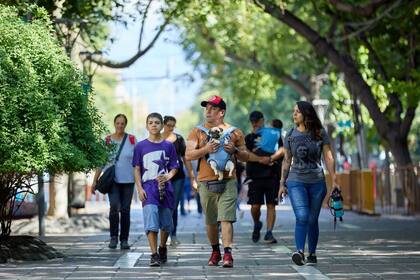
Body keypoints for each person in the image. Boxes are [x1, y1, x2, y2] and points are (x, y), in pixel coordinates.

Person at [185, 95, 271, 268]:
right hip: (205, 182)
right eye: (206, 108)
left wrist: (236, 150)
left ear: (221, 112)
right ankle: (215, 250)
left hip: (228, 181)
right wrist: (206, 149)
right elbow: (188, 155)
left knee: (226, 218)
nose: (208, 111)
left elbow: (245, 155)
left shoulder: (235, 132)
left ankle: (228, 254)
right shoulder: (197, 131)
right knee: (210, 221)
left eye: (212, 108)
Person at [278, 101, 338, 266]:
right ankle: (299, 252)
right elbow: (286, 160)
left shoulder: (320, 133)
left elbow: (328, 157)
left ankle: (312, 253)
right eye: (293, 111)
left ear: (306, 114)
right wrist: (282, 183)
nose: (294, 114)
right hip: (296, 181)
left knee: (312, 219)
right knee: (302, 216)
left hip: (317, 182)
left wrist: (334, 181)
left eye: (297, 112)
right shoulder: (290, 135)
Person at [133, 112, 179, 267]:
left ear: (162, 125)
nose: (154, 125)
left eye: (157, 123)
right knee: (151, 218)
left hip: (166, 188)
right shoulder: (140, 146)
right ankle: (153, 254)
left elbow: (174, 166)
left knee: (166, 223)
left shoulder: (168, 145)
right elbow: (137, 169)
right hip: (148, 187)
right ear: (146, 125)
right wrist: (139, 189)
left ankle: (162, 247)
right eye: (151, 122)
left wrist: (168, 176)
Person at [92, 114, 137, 250]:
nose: (120, 126)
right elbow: (100, 162)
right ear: (114, 124)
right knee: (114, 208)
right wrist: (94, 181)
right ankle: (113, 237)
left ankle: (124, 239)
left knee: (125, 210)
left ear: (125, 125)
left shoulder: (132, 139)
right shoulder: (107, 140)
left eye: (122, 123)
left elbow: (137, 162)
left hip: (129, 180)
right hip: (113, 181)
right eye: (118, 123)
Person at [245, 111, 284, 244]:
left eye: (258, 121)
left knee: (271, 205)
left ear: (263, 120)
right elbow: (245, 154)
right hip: (254, 177)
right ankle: (257, 223)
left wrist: (271, 158)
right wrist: (260, 159)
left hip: (272, 175)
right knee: (255, 206)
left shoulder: (274, 133)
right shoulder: (249, 137)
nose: (255, 124)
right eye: (253, 122)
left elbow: (283, 150)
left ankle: (269, 233)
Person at [162, 115, 197, 246]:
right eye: (168, 125)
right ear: (163, 125)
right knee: (162, 205)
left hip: (178, 177)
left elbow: (185, 158)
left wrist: (192, 176)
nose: (170, 128)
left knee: (173, 206)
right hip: (160, 177)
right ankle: (163, 231)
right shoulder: (158, 138)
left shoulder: (179, 139)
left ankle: (173, 234)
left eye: (173, 125)